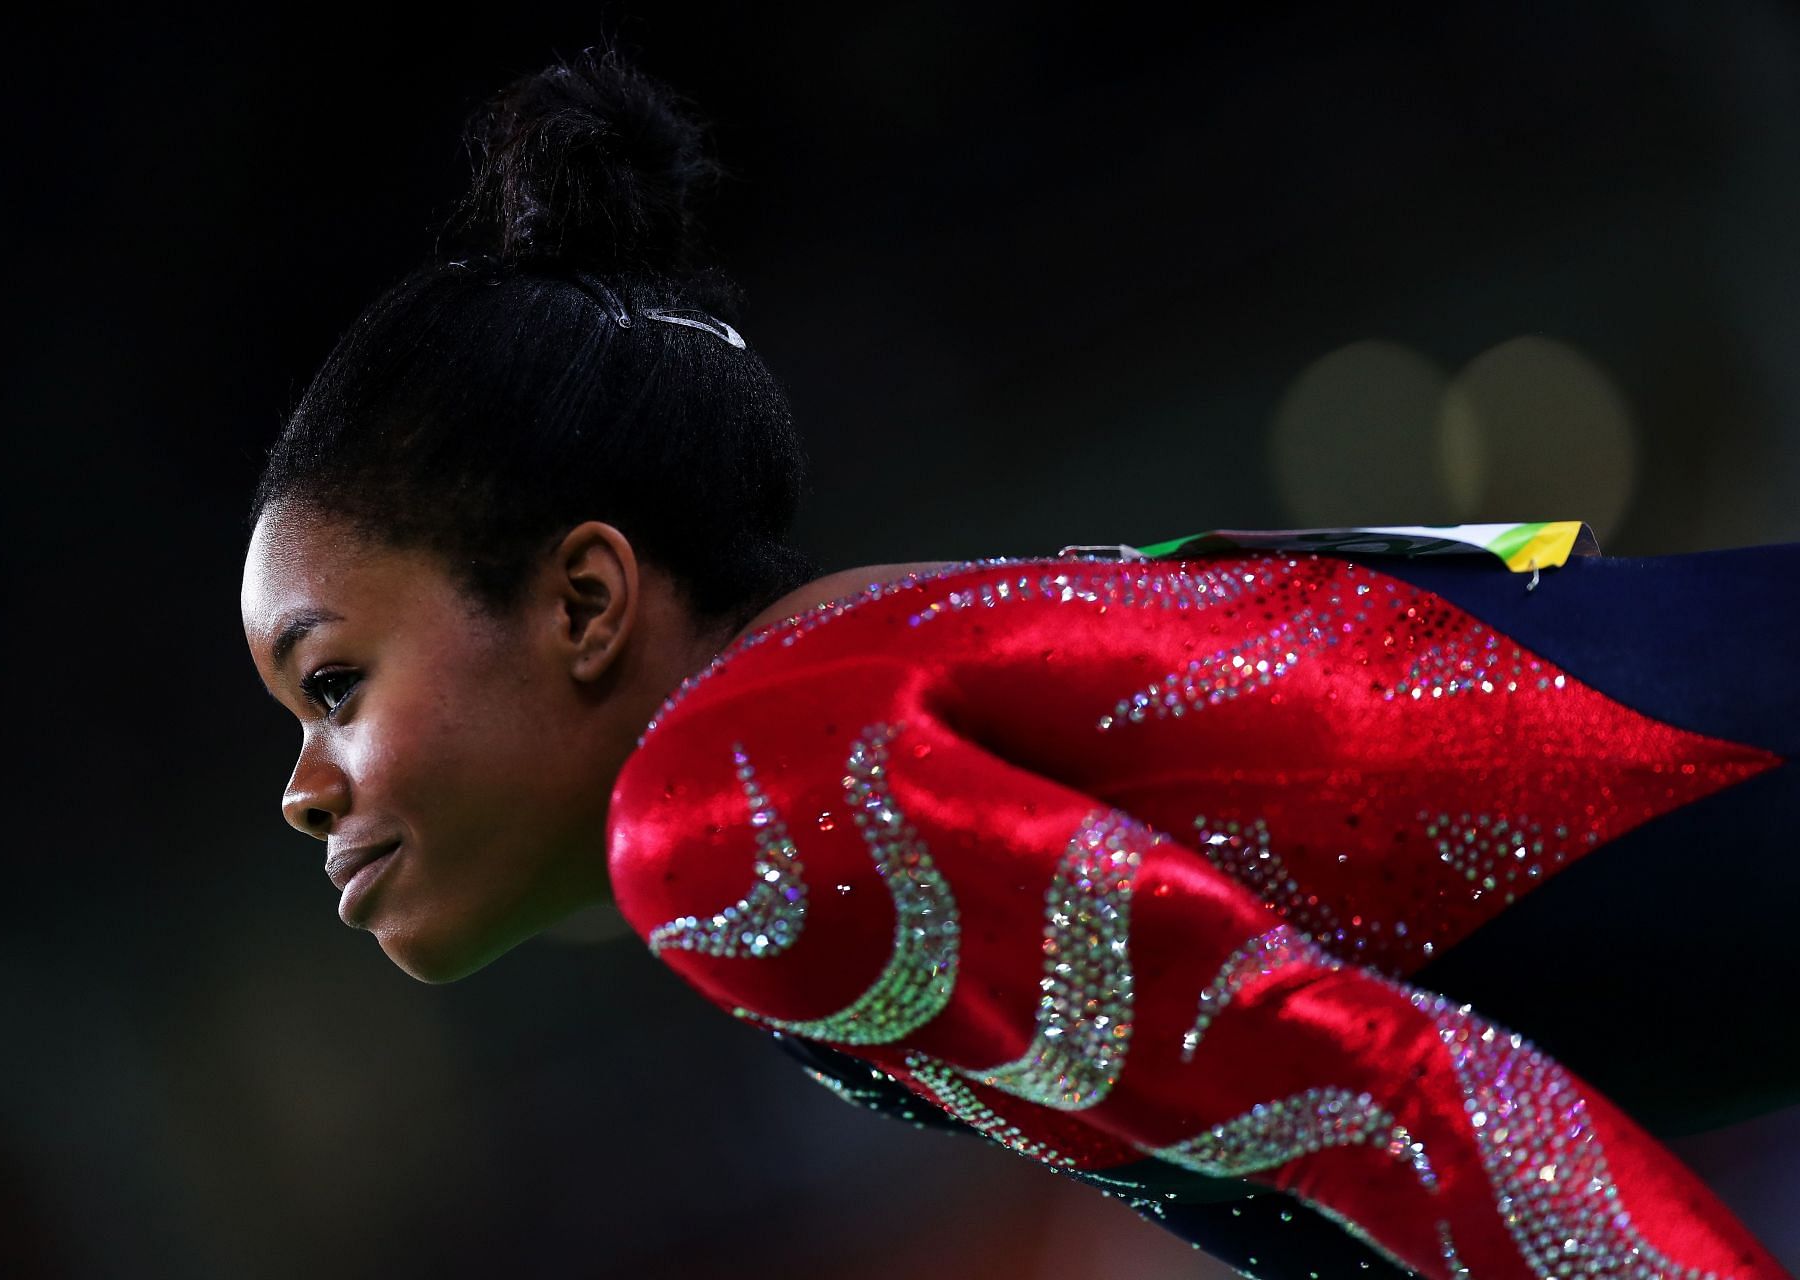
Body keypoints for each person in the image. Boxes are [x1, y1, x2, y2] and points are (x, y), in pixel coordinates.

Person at [238, 47, 1797, 1278]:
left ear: (585, 602)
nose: (304, 793)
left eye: (334, 686)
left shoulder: (722, 815)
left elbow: (1370, 1103)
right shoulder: (840, 674)